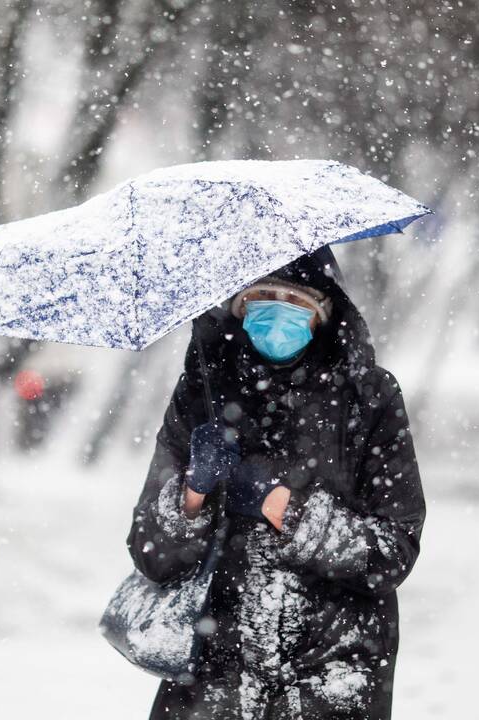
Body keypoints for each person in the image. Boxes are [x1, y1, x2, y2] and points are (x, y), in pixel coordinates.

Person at [127, 245, 426, 720]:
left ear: (322, 313)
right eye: (263, 295)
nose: (276, 313)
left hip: (331, 678)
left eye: (295, 302)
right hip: (213, 680)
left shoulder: (369, 398)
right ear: (240, 306)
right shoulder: (203, 391)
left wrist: (290, 512)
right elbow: (150, 554)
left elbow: (393, 552)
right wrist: (192, 497)